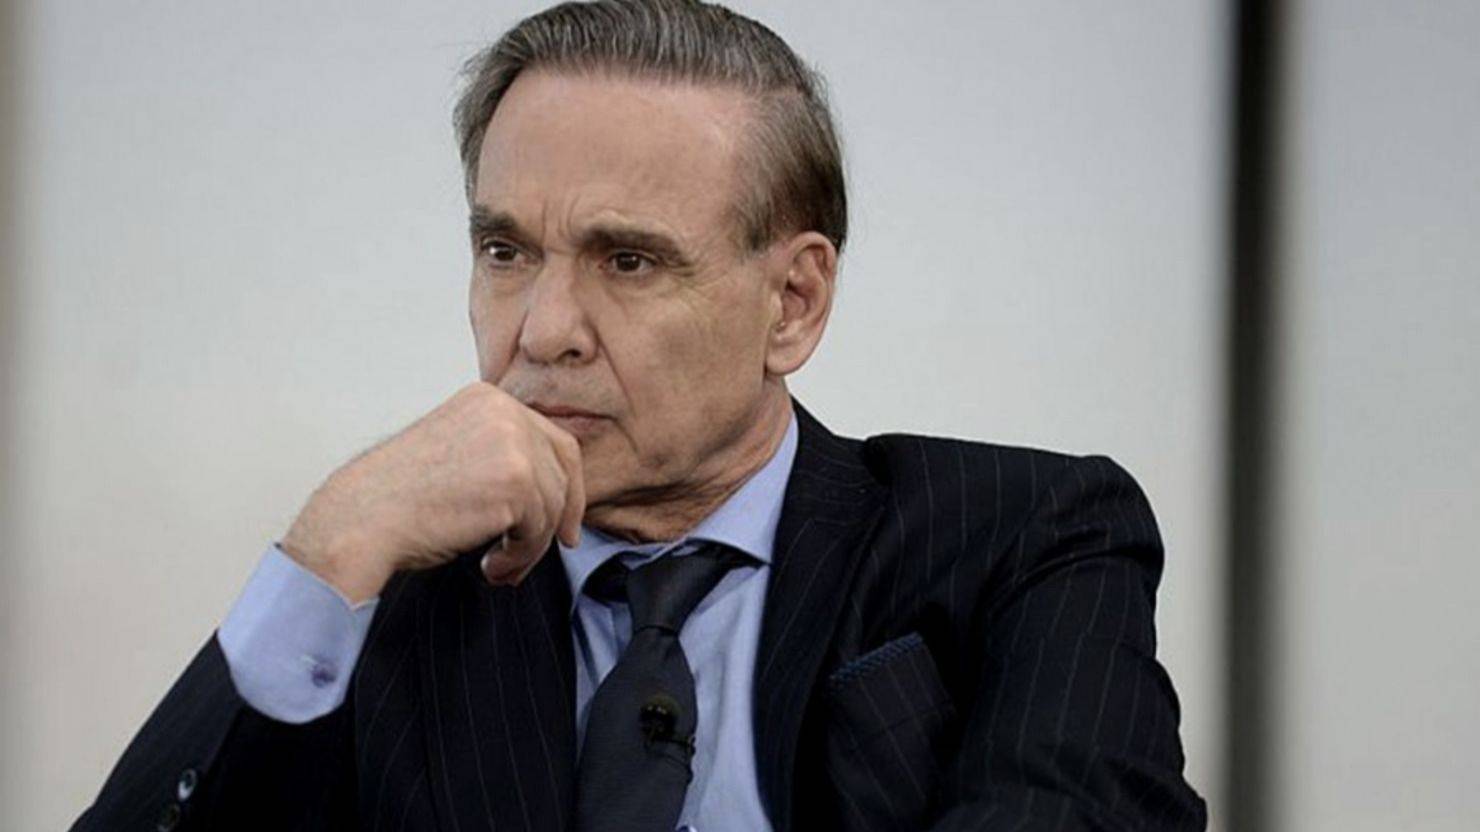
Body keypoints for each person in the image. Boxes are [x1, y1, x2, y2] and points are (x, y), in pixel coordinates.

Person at [72, 1, 1207, 830]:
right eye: (505, 251)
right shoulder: (393, 594)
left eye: (628, 260)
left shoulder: (1024, 534)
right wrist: (324, 551)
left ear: (792, 302)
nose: (544, 330)